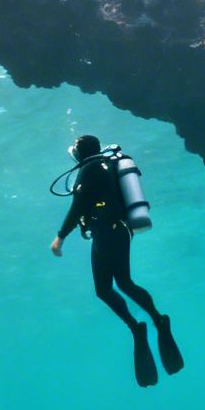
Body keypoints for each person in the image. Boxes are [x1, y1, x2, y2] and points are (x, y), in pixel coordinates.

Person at [49, 134, 183, 387]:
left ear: (79, 152)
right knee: (112, 286)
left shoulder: (89, 169)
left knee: (117, 285)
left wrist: (60, 237)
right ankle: (147, 323)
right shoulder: (104, 165)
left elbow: (78, 206)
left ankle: (150, 322)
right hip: (111, 230)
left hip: (110, 231)